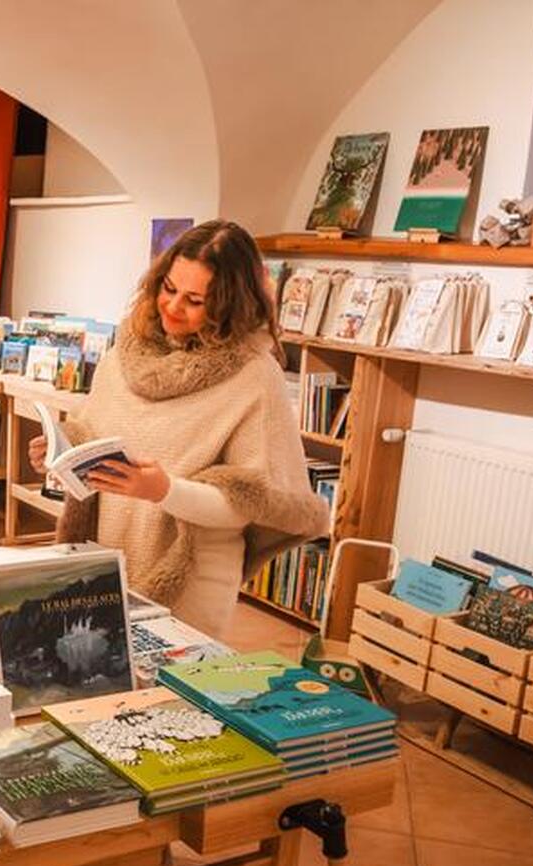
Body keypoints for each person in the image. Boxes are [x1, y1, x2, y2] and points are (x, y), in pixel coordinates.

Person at [30, 220, 328, 638]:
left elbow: (251, 503)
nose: (171, 307)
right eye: (168, 288)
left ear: (230, 306)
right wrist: (60, 452)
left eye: (194, 300)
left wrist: (163, 490)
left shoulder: (254, 376)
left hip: (194, 579)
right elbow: (92, 438)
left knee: (170, 699)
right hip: (105, 560)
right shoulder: (124, 353)